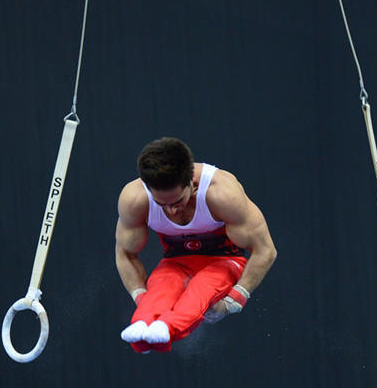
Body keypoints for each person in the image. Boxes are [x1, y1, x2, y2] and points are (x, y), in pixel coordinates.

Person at [115, 137, 277, 353]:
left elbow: (265, 250)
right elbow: (125, 253)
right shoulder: (134, 198)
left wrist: (235, 299)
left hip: (224, 261)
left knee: (200, 290)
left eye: (176, 202)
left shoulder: (222, 193)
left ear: (191, 183)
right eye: (161, 204)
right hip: (175, 263)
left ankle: (169, 327)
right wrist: (143, 298)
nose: (171, 211)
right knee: (161, 286)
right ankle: (141, 330)